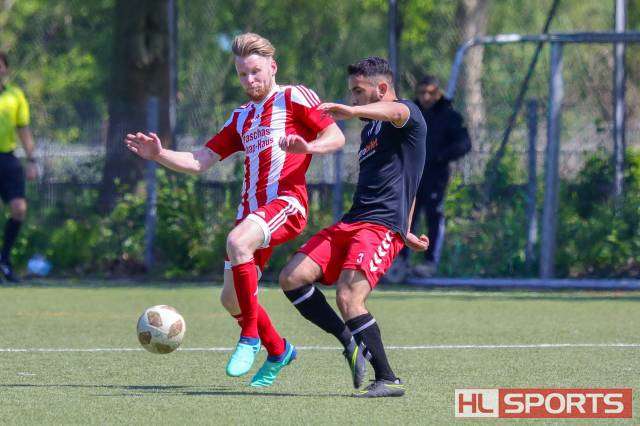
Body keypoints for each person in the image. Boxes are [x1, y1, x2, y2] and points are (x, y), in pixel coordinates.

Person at [125, 33, 345, 387]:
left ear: (273, 67)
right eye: (243, 74)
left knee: (237, 241)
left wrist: (308, 147)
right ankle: (279, 350)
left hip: (286, 203)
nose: (250, 80)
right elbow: (200, 160)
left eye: (256, 71)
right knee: (231, 299)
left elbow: (336, 137)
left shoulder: (294, 97)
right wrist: (160, 154)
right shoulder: (241, 117)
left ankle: (250, 337)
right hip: (251, 215)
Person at [279, 56, 428, 397]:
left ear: (382, 88)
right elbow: (409, 180)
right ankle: (348, 341)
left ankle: (388, 379)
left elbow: (395, 111)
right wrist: (408, 228)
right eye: (352, 93)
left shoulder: (407, 113)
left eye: (358, 91)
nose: (354, 97)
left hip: (380, 226)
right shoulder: (370, 130)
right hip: (353, 220)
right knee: (292, 277)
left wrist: (352, 110)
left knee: (348, 295)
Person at [388, 75, 471, 281]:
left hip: (436, 176)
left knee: (434, 216)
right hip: (410, 176)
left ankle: (429, 263)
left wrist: (440, 156)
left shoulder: (449, 116)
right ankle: (400, 261)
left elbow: (464, 143)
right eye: (422, 92)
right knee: (405, 217)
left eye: (431, 93)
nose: (426, 97)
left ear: (438, 93)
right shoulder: (410, 113)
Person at [0, 51, 37, 283]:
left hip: (7, 158)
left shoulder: (15, 95)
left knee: (19, 208)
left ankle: (4, 259)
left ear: (6, 69)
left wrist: (32, 160)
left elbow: (23, 130)